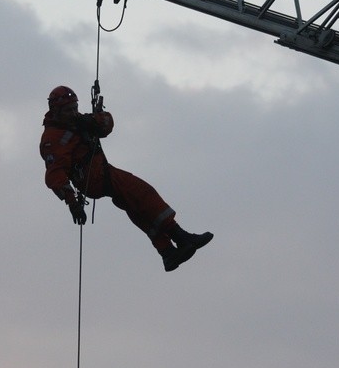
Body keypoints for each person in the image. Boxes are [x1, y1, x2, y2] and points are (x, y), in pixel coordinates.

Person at [39, 85, 213, 271]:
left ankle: (167, 251)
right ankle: (180, 236)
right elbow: (55, 174)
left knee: (136, 207)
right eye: (68, 110)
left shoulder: (78, 122)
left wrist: (93, 121)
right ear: (56, 111)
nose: (73, 113)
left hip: (100, 173)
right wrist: (72, 203)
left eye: (75, 107)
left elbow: (107, 125)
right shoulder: (53, 138)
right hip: (93, 177)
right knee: (142, 193)